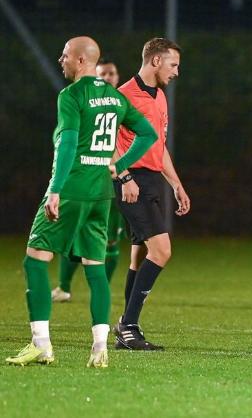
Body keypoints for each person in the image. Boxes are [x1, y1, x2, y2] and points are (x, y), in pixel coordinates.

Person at [5, 36, 157, 368]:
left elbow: (69, 144)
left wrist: (56, 189)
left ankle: (41, 344)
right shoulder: (115, 99)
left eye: (65, 56)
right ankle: (99, 348)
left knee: (35, 260)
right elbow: (149, 134)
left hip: (72, 188)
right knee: (95, 268)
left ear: (80, 61)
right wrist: (117, 164)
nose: (61, 60)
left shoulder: (71, 95)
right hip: (101, 193)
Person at [112, 37, 191, 351]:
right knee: (162, 251)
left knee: (141, 255)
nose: (176, 72)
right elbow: (110, 144)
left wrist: (176, 184)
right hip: (132, 181)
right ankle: (128, 326)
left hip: (153, 180)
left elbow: (159, 146)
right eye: (173, 65)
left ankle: (127, 328)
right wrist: (125, 175)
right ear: (156, 61)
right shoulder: (123, 96)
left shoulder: (159, 97)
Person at [52, 58, 125, 303]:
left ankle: (100, 290)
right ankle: (63, 286)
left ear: (117, 76)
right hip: (86, 179)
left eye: (111, 73)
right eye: (102, 73)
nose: (107, 77)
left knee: (111, 238)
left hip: (113, 181)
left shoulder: (122, 103)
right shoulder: (84, 101)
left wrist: (122, 168)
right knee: (74, 234)